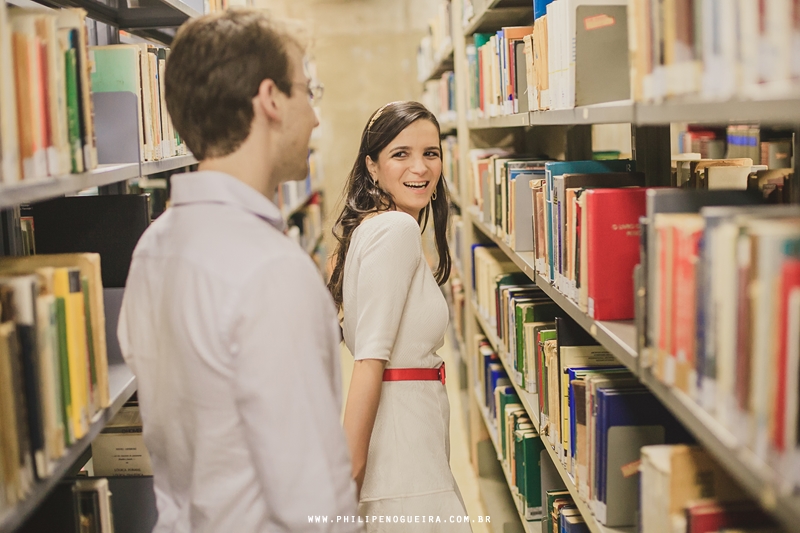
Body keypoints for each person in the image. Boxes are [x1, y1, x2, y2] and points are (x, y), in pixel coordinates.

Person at [117, 9, 361, 533]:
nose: (316, 117)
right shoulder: (273, 273)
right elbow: (316, 505)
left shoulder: (152, 248)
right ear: (270, 99)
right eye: (307, 91)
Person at [328, 101, 472, 531]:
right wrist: (349, 479)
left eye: (431, 153)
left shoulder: (376, 227)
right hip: (402, 461)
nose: (421, 168)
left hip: (412, 448)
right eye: (400, 153)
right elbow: (369, 361)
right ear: (372, 167)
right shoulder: (396, 230)